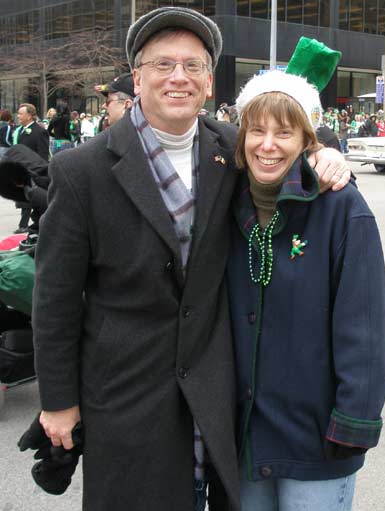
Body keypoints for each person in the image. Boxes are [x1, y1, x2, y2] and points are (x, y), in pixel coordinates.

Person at [32, 8, 350, 511]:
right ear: (137, 78)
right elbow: (55, 301)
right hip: (125, 397)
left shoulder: (232, 147)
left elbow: (286, 150)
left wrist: (325, 159)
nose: (178, 77)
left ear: (207, 83)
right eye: (163, 65)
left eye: (193, 66)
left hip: (218, 388)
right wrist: (57, 400)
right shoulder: (79, 172)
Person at [228, 69, 385, 511]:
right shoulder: (225, 203)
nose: (268, 145)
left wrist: (353, 423)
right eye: (257, 130)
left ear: (307, 140)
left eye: (284, 132)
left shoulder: (340, 206)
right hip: (243, 439)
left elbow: (367, 324)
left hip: (316, 439)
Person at [13, 103, 49, 233]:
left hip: (34, 173)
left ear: (29, 115)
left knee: (32, 199)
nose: (18, 116)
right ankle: (25, 224)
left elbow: (43, 155)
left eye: (21, 114)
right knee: (24, 199)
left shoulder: (40, 132)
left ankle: (26, 225)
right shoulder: (21, 131)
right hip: (22, 170)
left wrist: (37, 173)